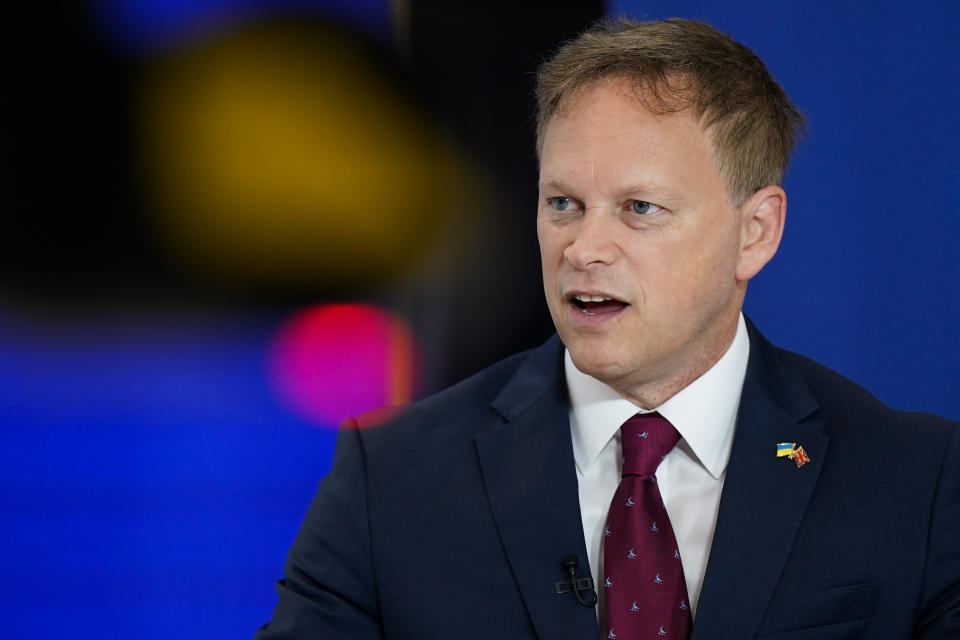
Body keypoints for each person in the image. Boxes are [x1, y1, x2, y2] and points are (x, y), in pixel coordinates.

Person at [255, 18, 959, 640]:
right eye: (563, 202)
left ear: (756, 231)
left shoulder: (914, 483)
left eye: (639, 208)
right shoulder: (393, 479)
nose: (584, 248)